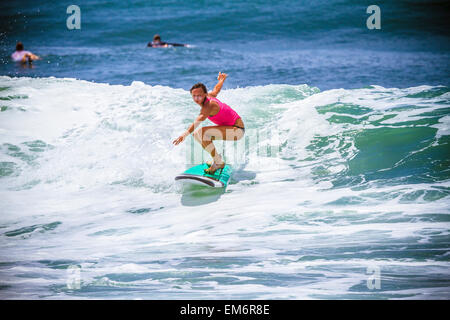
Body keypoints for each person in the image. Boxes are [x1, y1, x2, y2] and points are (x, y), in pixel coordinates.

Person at [173, 73, 245, 174]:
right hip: (230, 128)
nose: (196, 99)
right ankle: (217, 159)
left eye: (199, 96)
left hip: (237, 130)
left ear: (205, 94)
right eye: (194, 96)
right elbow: (216, 90)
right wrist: (221, 80)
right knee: (197, 134)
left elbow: (199, 120)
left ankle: (218, 162)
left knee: (201, 133)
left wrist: (184, 135)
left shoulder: (209, 105)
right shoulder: (210, 96)